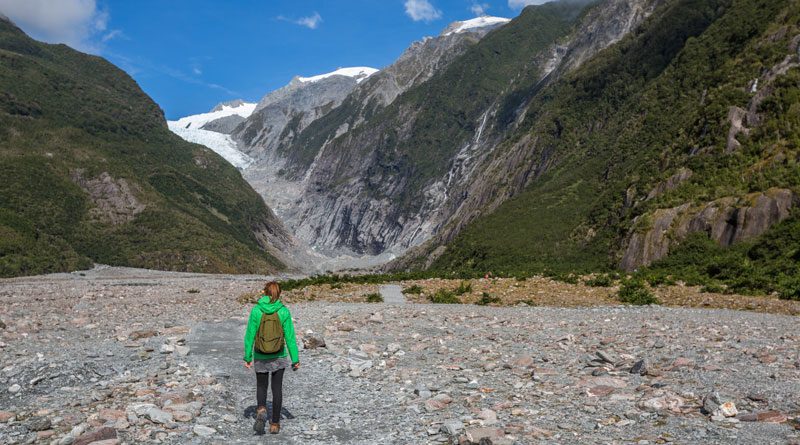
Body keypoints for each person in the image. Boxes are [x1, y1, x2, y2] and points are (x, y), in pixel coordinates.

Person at [243, 281, 300, 435]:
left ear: (264, 292)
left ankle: (261, 408)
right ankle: (274, 424)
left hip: (260, 354)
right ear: (279, 293)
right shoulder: (284, 311)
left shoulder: (256, 310)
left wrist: (247, 356)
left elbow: (250, 335)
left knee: (261, 386)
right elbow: (290, 337)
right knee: (277, 389)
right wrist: (295, 359)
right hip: (279, 355)